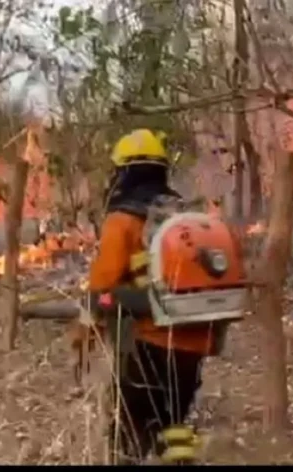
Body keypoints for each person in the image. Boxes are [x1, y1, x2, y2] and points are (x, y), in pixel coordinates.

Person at [87, 129, 215, 464]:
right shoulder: (184, 217)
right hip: (192, 341)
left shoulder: (123, 219)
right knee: (173, 424)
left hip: (148, 342)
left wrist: (91, 323)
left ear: (124, 172)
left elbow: (103, 285)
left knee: (129, 431)